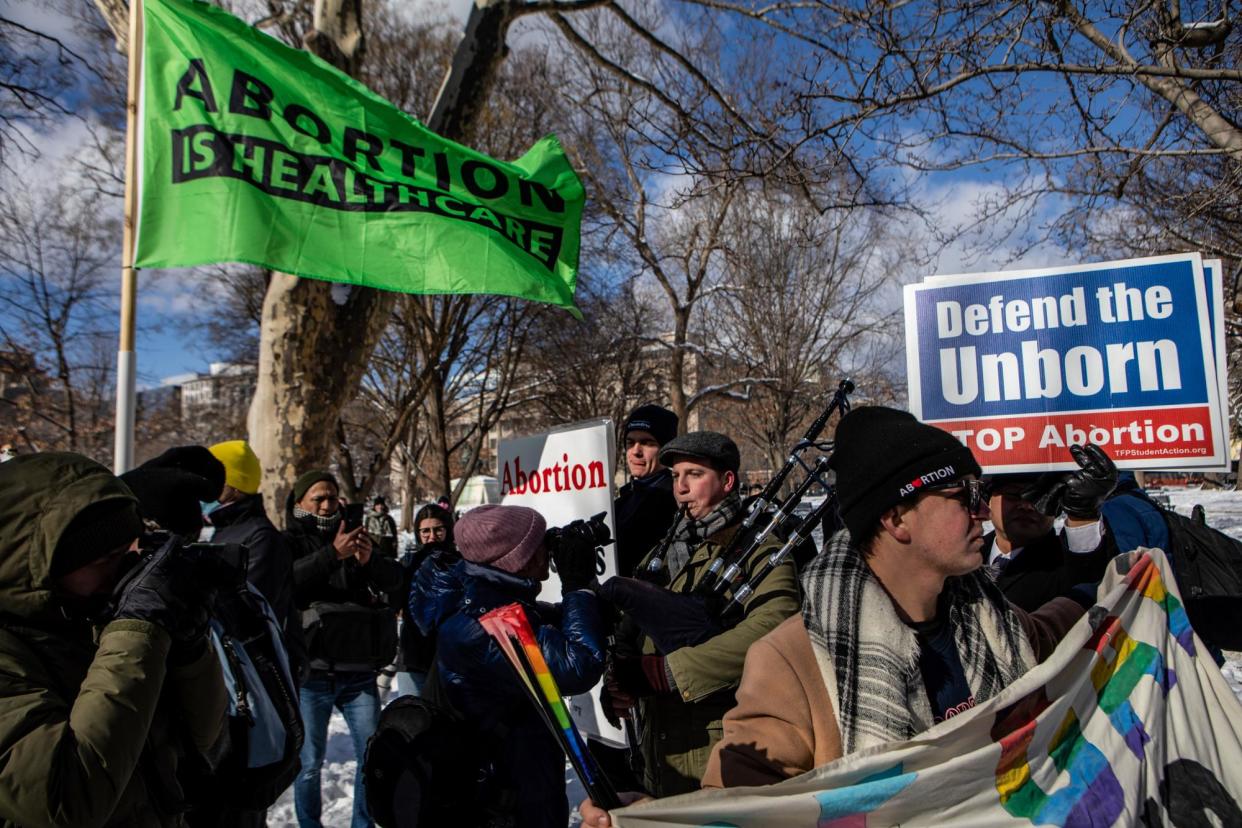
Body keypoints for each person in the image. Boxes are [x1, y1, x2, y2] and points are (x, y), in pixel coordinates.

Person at [580, 408, 1092, 826]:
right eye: (963, 496)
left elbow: (1067, 628)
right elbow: (738, 803)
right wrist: (657, 821)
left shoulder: (991, 623)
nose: (983, 511)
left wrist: (1104, 553)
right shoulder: (796, 662)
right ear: (895, 519)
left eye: (695, 474)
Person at [0, 452, 228, 826]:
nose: (124, 571)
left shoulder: (88, 619)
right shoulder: (15, 649)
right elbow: (64, 801)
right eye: (106, 558)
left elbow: (201, 740)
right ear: (42, 564)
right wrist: (136, 628)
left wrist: (189, 645)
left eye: (129, 553)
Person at [605, 431, 800, 797]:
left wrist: (669, 673)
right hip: (661, 757)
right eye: (676, 476)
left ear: (727, 481)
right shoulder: (661, 555)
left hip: (722, 754)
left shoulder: (761, 550)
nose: (680, 487)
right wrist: (620, 679)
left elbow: (775, 626)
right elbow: (631, 629)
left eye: (694, 474)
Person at [408, 504, 607, 828]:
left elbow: (542, 623)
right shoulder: (486, 625)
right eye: (540, 542)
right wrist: (576, 585)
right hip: (502, 803)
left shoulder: (477, 596)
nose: (548, 548)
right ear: (517, 559)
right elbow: (578, 664)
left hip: (514, 783)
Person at [285, 470, 405, 828]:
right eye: (317, 498)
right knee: (308, 765)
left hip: (358, 672)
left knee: (370, 758)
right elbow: (285, 584)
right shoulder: (289, 541)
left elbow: (396, 584)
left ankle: (362, 824)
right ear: (300, 503)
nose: (326, 504)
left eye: (332, 497)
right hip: (313, 673)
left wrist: (371, 562)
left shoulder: (357, 536)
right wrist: (331, 556)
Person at [982, 447, 1120, 612]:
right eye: (1013, 496)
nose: (1026, 506)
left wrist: (1083, 513)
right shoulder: (966, 553)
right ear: (989, 500)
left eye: (1038, 498)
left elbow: (1092, 580)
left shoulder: (1064, 561)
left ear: (1057, 506)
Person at [201, 440, 300, 664]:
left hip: (254, 668)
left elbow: (248, 609)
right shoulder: (222, 530)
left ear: (233, 486)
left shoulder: (261, 538)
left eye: (211, 479)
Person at [386, 503, 456, 698]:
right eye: (425, 531)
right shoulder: (407, 564)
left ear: (448, 530)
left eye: (438, 530)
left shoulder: (461, 563)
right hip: (413, 657)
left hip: (450, 658)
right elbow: (394, 602)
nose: (432, 536)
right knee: (413, 720)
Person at [613, 404, 681, 577]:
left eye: (647, 443)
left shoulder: (675, 500)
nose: (636, 451)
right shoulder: (623, 498)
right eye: (630, 442)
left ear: (665, 449)